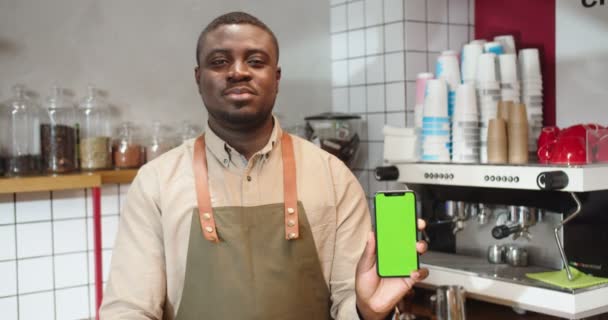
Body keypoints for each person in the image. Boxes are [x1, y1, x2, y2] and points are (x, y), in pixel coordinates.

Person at [100, 11, 428, 320]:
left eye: (256, 61)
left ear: (277, 77)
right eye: (219, 62)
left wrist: (367, 310)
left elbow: (349, 298)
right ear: (199, 78)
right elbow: (129, 308)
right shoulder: (156, 182)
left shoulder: (332, 176)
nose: (238, 71)